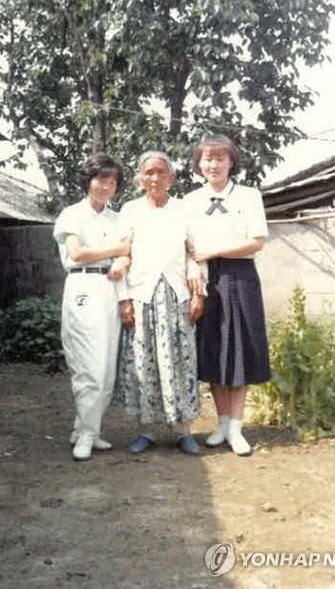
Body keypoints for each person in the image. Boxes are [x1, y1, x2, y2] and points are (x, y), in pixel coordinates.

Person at [183, 134, 271, 456]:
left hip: (240, 275)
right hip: (206, 277)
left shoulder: (248, 196)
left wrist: (213, 250)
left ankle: (236, 427)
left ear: (231, 162)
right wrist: (195, 266)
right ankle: (221, 424)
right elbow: (187, 245)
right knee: (213, 349)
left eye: (220, 158)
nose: (214, 164)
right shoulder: (190, 201)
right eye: (207, 158)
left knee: (240, 350)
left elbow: (256, 241)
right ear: (199, 164)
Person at [115, 151, 205, 456]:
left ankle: (183, 431)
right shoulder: (130, 211)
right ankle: (147, 431)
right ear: (140, 178)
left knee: (182, 360)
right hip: (141, 296)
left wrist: (199, 294)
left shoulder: (184, 210)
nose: (154, 178)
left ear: (171, 177)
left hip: (177, 296)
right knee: (143, 362)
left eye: (161, 172)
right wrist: (123, 299)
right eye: (148, 173)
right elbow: (122, 255)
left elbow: (195, 253)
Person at [53, 153, 130, 462]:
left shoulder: (118, 218)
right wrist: (117, 250)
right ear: (88, 181)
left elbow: (127, 254)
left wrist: (122, 258)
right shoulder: (72, 214)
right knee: (89, 366)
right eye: (100, 179)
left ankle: (87, 429)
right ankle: (85, 435)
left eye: (112, 181)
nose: (105, 186)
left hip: (111, 287)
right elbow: (77, 253)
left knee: (107, 369)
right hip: (83, 286)